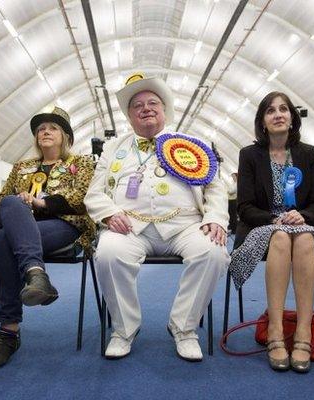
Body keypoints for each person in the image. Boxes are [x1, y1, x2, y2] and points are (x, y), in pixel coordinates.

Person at [84, 73, 230, 362]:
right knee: (108, 253)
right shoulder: (113, 149)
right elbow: (94, 193)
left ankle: (184, 329)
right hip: (130, 226)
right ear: (129, 116)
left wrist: (215, 217)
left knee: (212, 252)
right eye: (137, 105)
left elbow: (215, 186)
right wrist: (109, 213)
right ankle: (124, 330)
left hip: (185, 224)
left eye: (153, 103)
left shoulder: (190, 143)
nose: (146, 108)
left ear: (165, 110)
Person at [229, 92, 314, 373]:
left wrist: (302, 216)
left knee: (304, 237)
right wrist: (275, 219)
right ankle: (276, 332)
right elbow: (244, 207)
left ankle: (304, 333)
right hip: (263, 226)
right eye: (270, 111)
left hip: (304, 226)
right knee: (281, 236)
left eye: (283, 109)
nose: (278, 114)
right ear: (262, 121)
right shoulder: (249, 155)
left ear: (292, 118)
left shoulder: (308, 153)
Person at [0, 108, 96, 371]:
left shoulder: (82, 163)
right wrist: (19, 201)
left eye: (52, 128)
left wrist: (38, 202)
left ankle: (8, 332)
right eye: (41, 129)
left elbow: (80, 199)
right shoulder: (22, 167)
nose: (45, 132)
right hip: (23, 227)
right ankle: (36, 273)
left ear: (65, 136)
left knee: (7, 238)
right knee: (9, 209)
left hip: (63, 226)